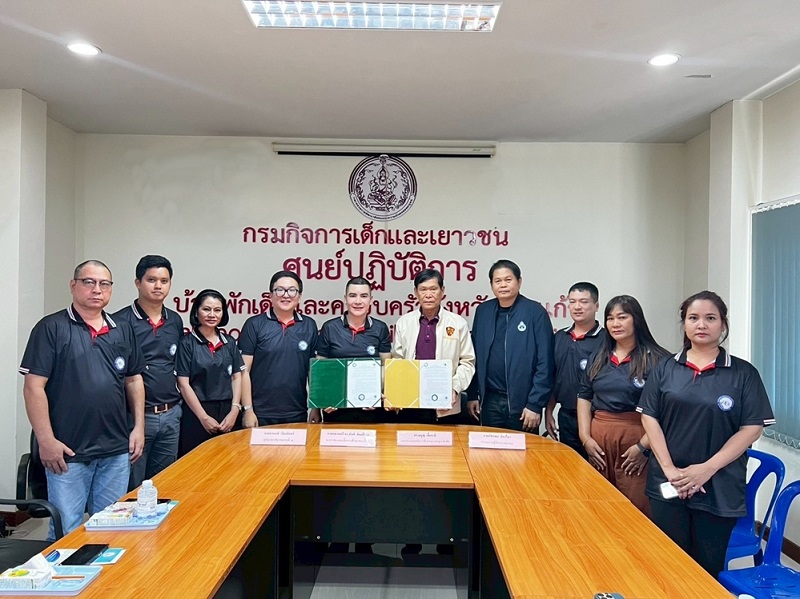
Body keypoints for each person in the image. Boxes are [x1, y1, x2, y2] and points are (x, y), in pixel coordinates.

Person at [638, 291, 775, 577]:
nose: (701, 324)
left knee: (706, 568)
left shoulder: (743, 373)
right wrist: (670, 470)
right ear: (684, 324)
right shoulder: (665, 368)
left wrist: (705, 470)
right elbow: (650, 417)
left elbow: (752, 428)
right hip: (668, 482)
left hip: (719, 486)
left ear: (723, 324)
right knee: (667, 563)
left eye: (710, 318)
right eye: (694, 318)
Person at [19, 260, 145, 538]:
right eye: (89, 282)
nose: (97, 289)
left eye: (104, 284)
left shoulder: (123, 329)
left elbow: (134, 379)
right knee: (67, 530)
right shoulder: (51, 328)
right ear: (73, 285)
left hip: (115, 450)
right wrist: (46, 441)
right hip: (67, 452)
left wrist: (139, 427)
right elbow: (33, 387)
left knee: (111, 528)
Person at [577, 295, 668, 516]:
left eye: (622, 317)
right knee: (599, 502)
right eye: (610, 318)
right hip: (599, 439)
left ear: (636, 319)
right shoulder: (599, 356)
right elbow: (584, 397)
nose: (615, 324)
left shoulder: (658, 360)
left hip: (637, 439)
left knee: (635, 506)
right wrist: (585, 438)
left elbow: (666, 411)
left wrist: (643, 447)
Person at [113, 255, 184, 491]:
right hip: (134, 418)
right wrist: (136, 423)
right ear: (138, 282)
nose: (158, 286)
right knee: (131, 489)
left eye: (164, 281)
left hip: (171, 414)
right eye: (151, 280)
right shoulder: (120, 322)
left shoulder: (174, 320)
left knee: (164, 486)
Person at [467, 260, 554, 433]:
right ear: (491, 285)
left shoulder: (535, 312)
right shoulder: (483, 311)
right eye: (497, 281)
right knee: (489, 448)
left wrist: (535, 404)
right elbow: (474, 356)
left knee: (524, 450)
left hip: (523, 403)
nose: (503, 285)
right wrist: (472, 395)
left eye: (508, 280)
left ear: (519, 282)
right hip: (489, 400)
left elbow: (546, 362)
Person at [391, 269, 475, 425]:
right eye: (423, 289)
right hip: (410, 404)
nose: (428, 295)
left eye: (433, 289)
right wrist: (396, 393)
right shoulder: (404, 322)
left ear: (442, 291)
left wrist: (454, 387)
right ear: (415, 292)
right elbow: (397, 361)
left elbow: (467, 362)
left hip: (445, 405)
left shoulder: (458, 323)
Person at [239, 271, 319, 426]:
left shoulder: (309, 325)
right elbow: (244, 371)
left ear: (299, 296)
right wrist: (248, 409)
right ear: (270, 295)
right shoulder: (254, 325)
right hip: (260, 413)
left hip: (297, 412)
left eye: (292, 290)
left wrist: (315, 407)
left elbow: (313, 371)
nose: (286, 295)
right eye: (280, 290)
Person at [176, 289, 245, 456]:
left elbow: (237, 377)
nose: (212, 315)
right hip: (197, 412)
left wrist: (235, 410)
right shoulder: (187, 343)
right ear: (196, 311)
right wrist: (203, 417)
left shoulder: (229, 342)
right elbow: (183, 384)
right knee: (196, 462)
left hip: (228, 412)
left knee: (228, 461)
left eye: (217, 310)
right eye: (206, 309)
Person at [317, 277, 392, 424]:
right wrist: (322, 401)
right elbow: (320, 369)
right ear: (345, 299)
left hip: (372, 409)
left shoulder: (380, 328)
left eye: (363, 296)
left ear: (371, 300)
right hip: (336, 409)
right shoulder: (330, 328)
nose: (358, 301)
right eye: (352, 296)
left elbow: (385, 366)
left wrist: (377, 394)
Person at [545, 282, 605, 455]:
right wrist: (549, 410)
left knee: (596, 466)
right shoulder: (560, 337)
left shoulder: (606, 340)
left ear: (596, 306)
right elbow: (554, 376)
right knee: (569, 465)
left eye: (584, 301)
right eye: (572, 301)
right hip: (566, 415)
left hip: (597, 418)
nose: (577, 307)